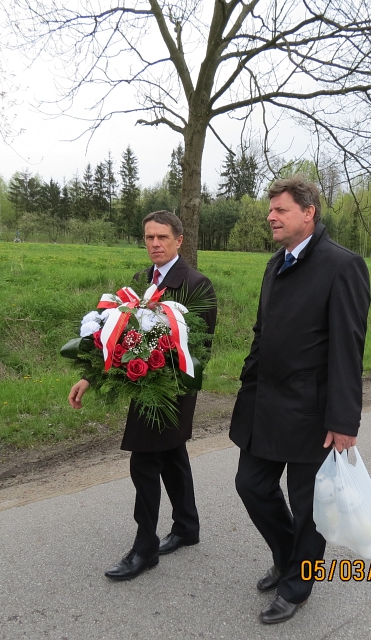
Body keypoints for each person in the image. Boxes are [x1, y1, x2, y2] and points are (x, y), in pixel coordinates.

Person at [229, 177, 370, 624]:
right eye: (270, 209)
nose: (271, 216)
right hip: (266, 404)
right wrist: (248, 385)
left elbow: (348, 349)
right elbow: (262, 333)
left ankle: (297, 586)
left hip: (313, 412)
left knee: (309, 508)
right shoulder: (275, 263)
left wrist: (343, 420)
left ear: (308, 213)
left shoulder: (342, 265)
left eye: (281, 210)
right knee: (251, 485)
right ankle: (288, 555)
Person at [69, 210, 217, 581]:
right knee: (171, 454)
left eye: (162, 237)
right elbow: (116, 334)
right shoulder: (140, 280)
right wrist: (90, 377)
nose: (155, 244)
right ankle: (187, 527)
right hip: (142, 384)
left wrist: (157, 369)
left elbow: (201, 347)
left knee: (144, 462)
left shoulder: (196, 284)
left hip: (173, 388)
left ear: (179, 240)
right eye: (149, 237)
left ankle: (145, 547)